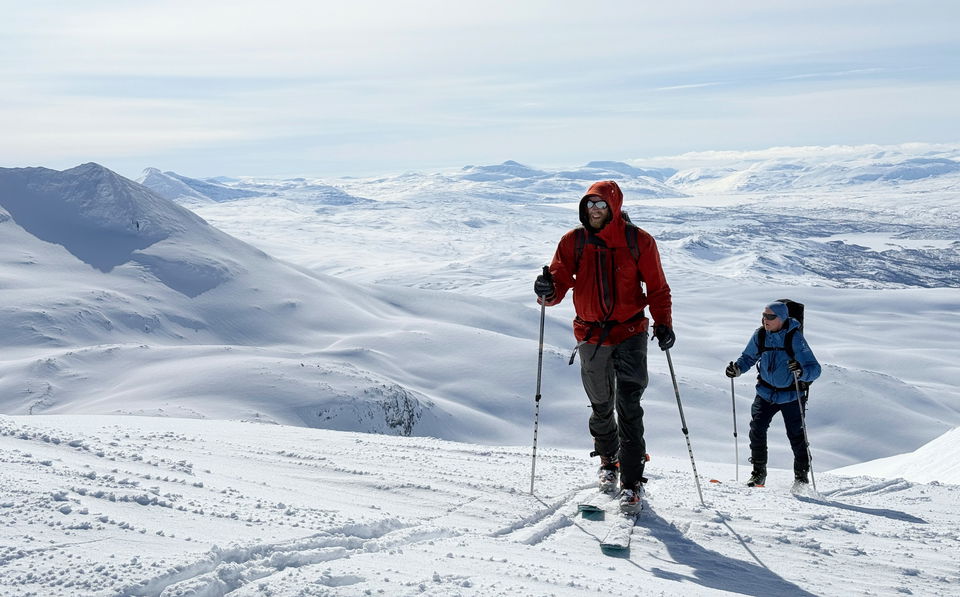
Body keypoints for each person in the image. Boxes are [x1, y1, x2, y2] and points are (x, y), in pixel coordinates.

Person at [534, 180, 674, 512]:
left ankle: (632, 482)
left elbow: (657, 288)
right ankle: (609, 462)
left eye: (600, 205)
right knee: (600, 405)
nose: (594, 210)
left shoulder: (638, 241)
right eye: (589, 205)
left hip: (630, 331)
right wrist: (546, 290)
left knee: (628, 404)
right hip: (591, 335)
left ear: (614, 206)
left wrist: (664, 322)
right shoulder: (574, 242)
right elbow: (558, 284)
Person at [725, 301, 822, 487]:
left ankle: (801, 478)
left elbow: (815, 369)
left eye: (770, 316)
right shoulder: (760, 335)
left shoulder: (795, 338)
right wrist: (737, 369)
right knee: (757, 430)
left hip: (792, 395)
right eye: (763, 315)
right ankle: (758, 473)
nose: (765, 320)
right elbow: (748, 357)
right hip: (766, 392)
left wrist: (801, 371)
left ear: (782, 318)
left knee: (796, 435)